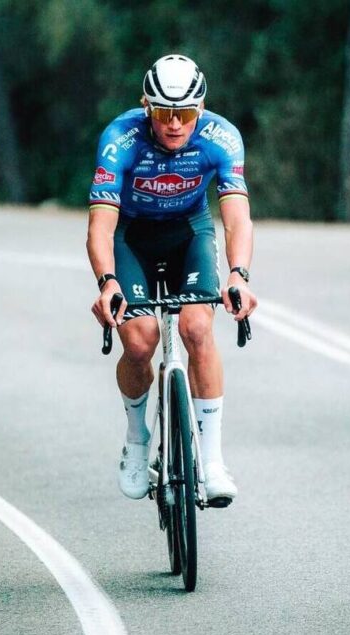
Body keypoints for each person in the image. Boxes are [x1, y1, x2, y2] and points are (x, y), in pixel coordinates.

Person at [86, 54, 258, 506]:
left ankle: (213, 461)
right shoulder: (120, 139)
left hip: (189, 233)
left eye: (185, 113)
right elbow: (101, 226)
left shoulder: (221, 138)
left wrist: (239, 275)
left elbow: (237, 216)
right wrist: (107, 282)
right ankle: (138, 438)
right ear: (147, 107)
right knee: (140, 342)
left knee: (198, 328)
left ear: (201, 110)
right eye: (165, 113)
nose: (176, 124)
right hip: (133, 237)